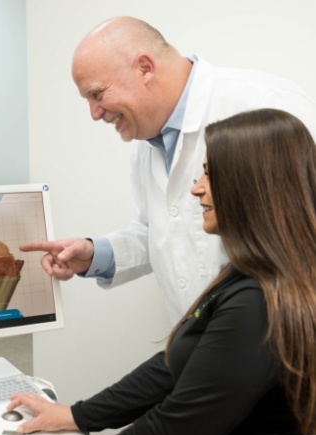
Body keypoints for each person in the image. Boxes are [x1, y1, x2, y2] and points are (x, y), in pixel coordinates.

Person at [7, 109, 316, 435]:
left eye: (210, 175)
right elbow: (175, 365)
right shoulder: (253, 273)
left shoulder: (257, 302)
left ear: (250, 186)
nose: (196, 189)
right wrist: (77, 416)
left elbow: (181, 429)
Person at [19, 16, 316, 326]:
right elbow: (161, 230)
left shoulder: (268, 105)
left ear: (145, 68)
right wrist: (95, 254)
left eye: (97, 94)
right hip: (197, 342)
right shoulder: (145, 138)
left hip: (278, 343)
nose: (95, 114)